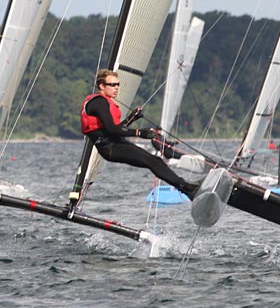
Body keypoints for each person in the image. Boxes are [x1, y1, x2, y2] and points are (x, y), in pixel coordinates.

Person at [69, 70, 200, 209]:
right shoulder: (99, 103)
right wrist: (139, 132)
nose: (116, 88)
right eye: (112, 84)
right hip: (110, 148)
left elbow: (114, 130)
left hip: (116, 144)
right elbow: (112, 130)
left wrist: (131, 118)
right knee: (152, 161)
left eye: (118, 84)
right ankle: (187, 189)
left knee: (155, 161)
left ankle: (187, 188)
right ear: (101, 86)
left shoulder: (103, 102)